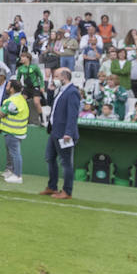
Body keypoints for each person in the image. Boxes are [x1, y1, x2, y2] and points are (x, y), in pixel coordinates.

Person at [41, 68, 80, 199]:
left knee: (66, 162)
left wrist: (68, 132)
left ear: (64, 77)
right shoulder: (62, 91)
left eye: (56, 76)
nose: (54, 79)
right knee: (50, 158)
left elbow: (73, 115)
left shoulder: (72, 92)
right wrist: (51, 91)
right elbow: (52, 105)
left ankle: (67, 191)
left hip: (64, 134)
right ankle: (52, 186)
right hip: (54, 131)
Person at [0, 80, 29, 184]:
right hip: (19, 131)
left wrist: (1, 109)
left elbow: (0, 114)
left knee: (15, 154)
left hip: (12, 131)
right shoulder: (21, 99)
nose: (6, 87)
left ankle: (17, 175)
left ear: (12, 89)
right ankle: (15, 173)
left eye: (7, 85)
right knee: (15, 154)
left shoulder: (12, 100)